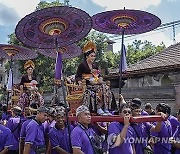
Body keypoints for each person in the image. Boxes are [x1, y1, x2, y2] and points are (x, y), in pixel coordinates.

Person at [75, 41, 112, 115]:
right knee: (99, 88)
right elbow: (77, 76)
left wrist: (100, 78)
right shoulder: (82, 65)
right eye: (91, 56)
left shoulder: (95, 65)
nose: (93, 58)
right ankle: (98, 108)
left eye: (94, 56)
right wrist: (79, 82)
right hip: (88, 84)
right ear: (87, 56)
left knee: (105, 87)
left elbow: (99, 75)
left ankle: (105, 108)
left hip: (96, 83)